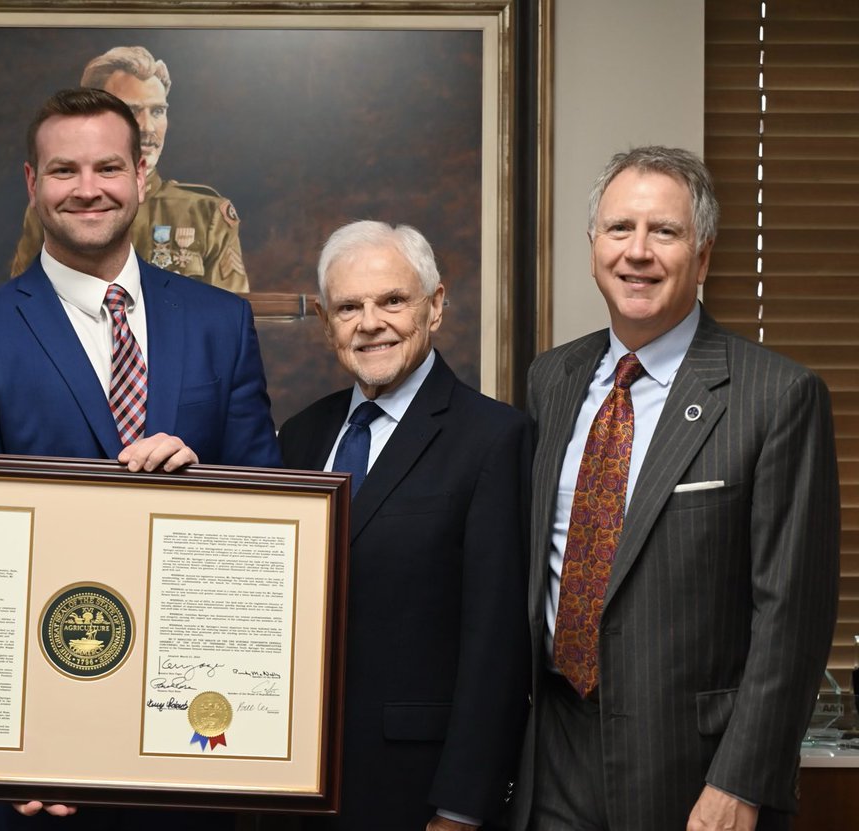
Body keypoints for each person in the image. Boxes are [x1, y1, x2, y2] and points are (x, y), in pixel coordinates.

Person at [0, 87, 280, 830]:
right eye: (64, 171)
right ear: (32, 184)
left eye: (108, 167)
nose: (88, 189)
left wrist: (203, 479)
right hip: (37, 773)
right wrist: (5, 746)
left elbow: (271, 523)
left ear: (141, 176)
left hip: (196, 748)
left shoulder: (222, 325)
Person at [512, 146, 839, 831]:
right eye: (619, 228)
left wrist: (742, 781)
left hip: (692, 772)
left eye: (664, 231)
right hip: (552, 752)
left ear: (704, 254)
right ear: (593, 245)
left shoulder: (776, 396)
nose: (637, 252)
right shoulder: (553, 379)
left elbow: (793, 617)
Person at [278, 221, 532, 830]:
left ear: (435, 306)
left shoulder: (493, 439)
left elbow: (496, 645)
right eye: (348, 307)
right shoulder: (299, 436)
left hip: (416, 789)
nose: (370, 322)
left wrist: (461, 809)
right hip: (293, 782)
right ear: (325, 322)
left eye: (392, 300)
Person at [9, 45, 249, 292]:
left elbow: (227, 320)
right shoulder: (56, 209)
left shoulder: (205, 214)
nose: (147, 127)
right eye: (131, 111)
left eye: (157, 111)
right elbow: (22, 304)